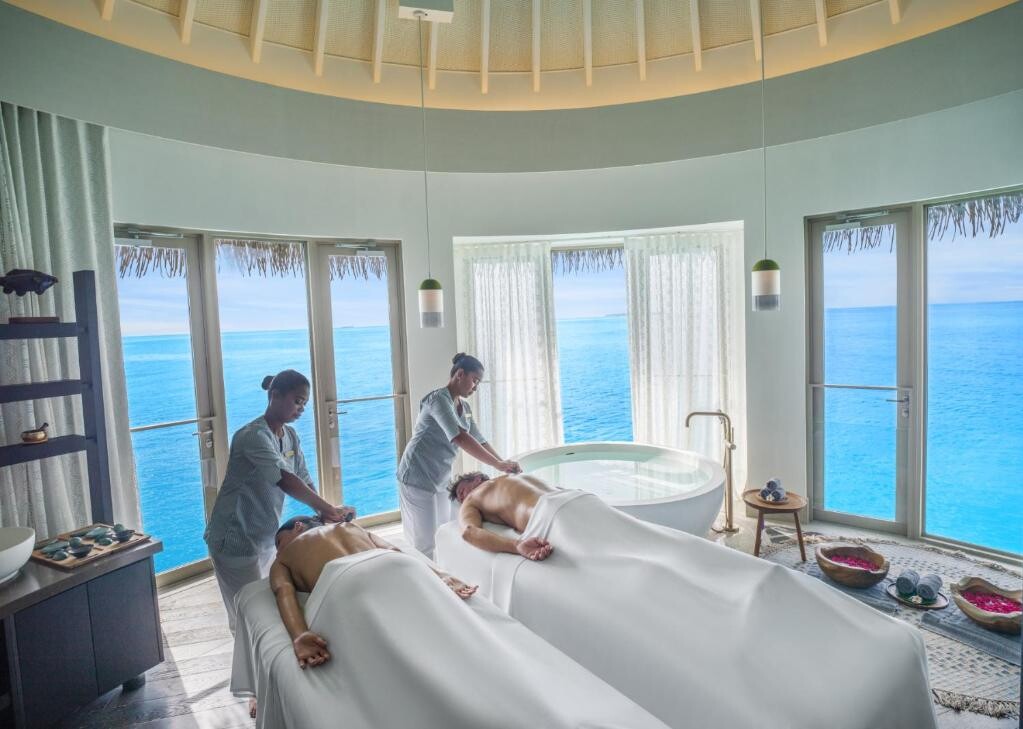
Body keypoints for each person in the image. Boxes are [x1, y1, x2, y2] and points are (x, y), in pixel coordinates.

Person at [204, 369, 355, 635]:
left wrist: (324, 513)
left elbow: (302, 477)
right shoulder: (252, 436)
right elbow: (285, 479)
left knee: (265, 605)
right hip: (233, 538)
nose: (301, 409)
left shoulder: (290, 436)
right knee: (246, 614)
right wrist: (328, 509)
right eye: (297, 401)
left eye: (304, 404)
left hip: (263, 534)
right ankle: (245, 660)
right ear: (274, 395)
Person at [271, 516, 478, 669]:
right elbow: (394, 550)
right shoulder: (350, 527)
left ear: (298, 526)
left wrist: (300, 634)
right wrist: (440, 575)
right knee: (430, 622)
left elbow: (283, 592)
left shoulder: (283, 559)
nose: (278, 551)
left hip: (345, 580)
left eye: (279, 543)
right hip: (392, 565)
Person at [396, 353, 521, 558]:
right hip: (416, 476)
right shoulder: (438, 400)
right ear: (460, 374)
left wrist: (503, 462)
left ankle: (442, 573)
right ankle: (420, 574)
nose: (476, 387)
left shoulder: (465, 408)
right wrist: (497, 465)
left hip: (439, 477)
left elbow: (479, 439)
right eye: (475, 380)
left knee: (442, 532)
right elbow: (460, 437)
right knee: (424, 543)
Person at [449, 471, 555, 561]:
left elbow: (469, 532)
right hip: (561, 497)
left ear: (477, 479)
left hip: (545, 515)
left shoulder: (471, 497)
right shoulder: (516, 476)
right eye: (460, 500)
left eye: (461, 492)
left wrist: (516, 546)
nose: (462, 499)